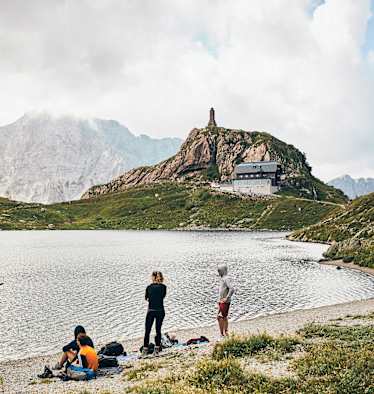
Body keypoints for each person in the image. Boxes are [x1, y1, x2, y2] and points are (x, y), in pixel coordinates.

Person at [142, 271, 167, 356]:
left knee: (147, 331)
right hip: (160, 311)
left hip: (151, 311)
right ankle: (156, 351)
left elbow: (146, 298)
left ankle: (144, 352)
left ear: (153, 277)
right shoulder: (164, 287)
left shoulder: (149, 287)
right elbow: (162, 296)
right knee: (158, 330)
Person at [217, 264, 235, 337]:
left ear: (223, 271)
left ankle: (223, 334)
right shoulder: (223, 278)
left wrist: (227, 298)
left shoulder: (226, 278)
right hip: (221, 301)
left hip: (224, 302)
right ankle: (224, 332)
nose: (218, 272)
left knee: (220, 317)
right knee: (223, 317)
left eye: (219, 270)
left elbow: (232, 289)